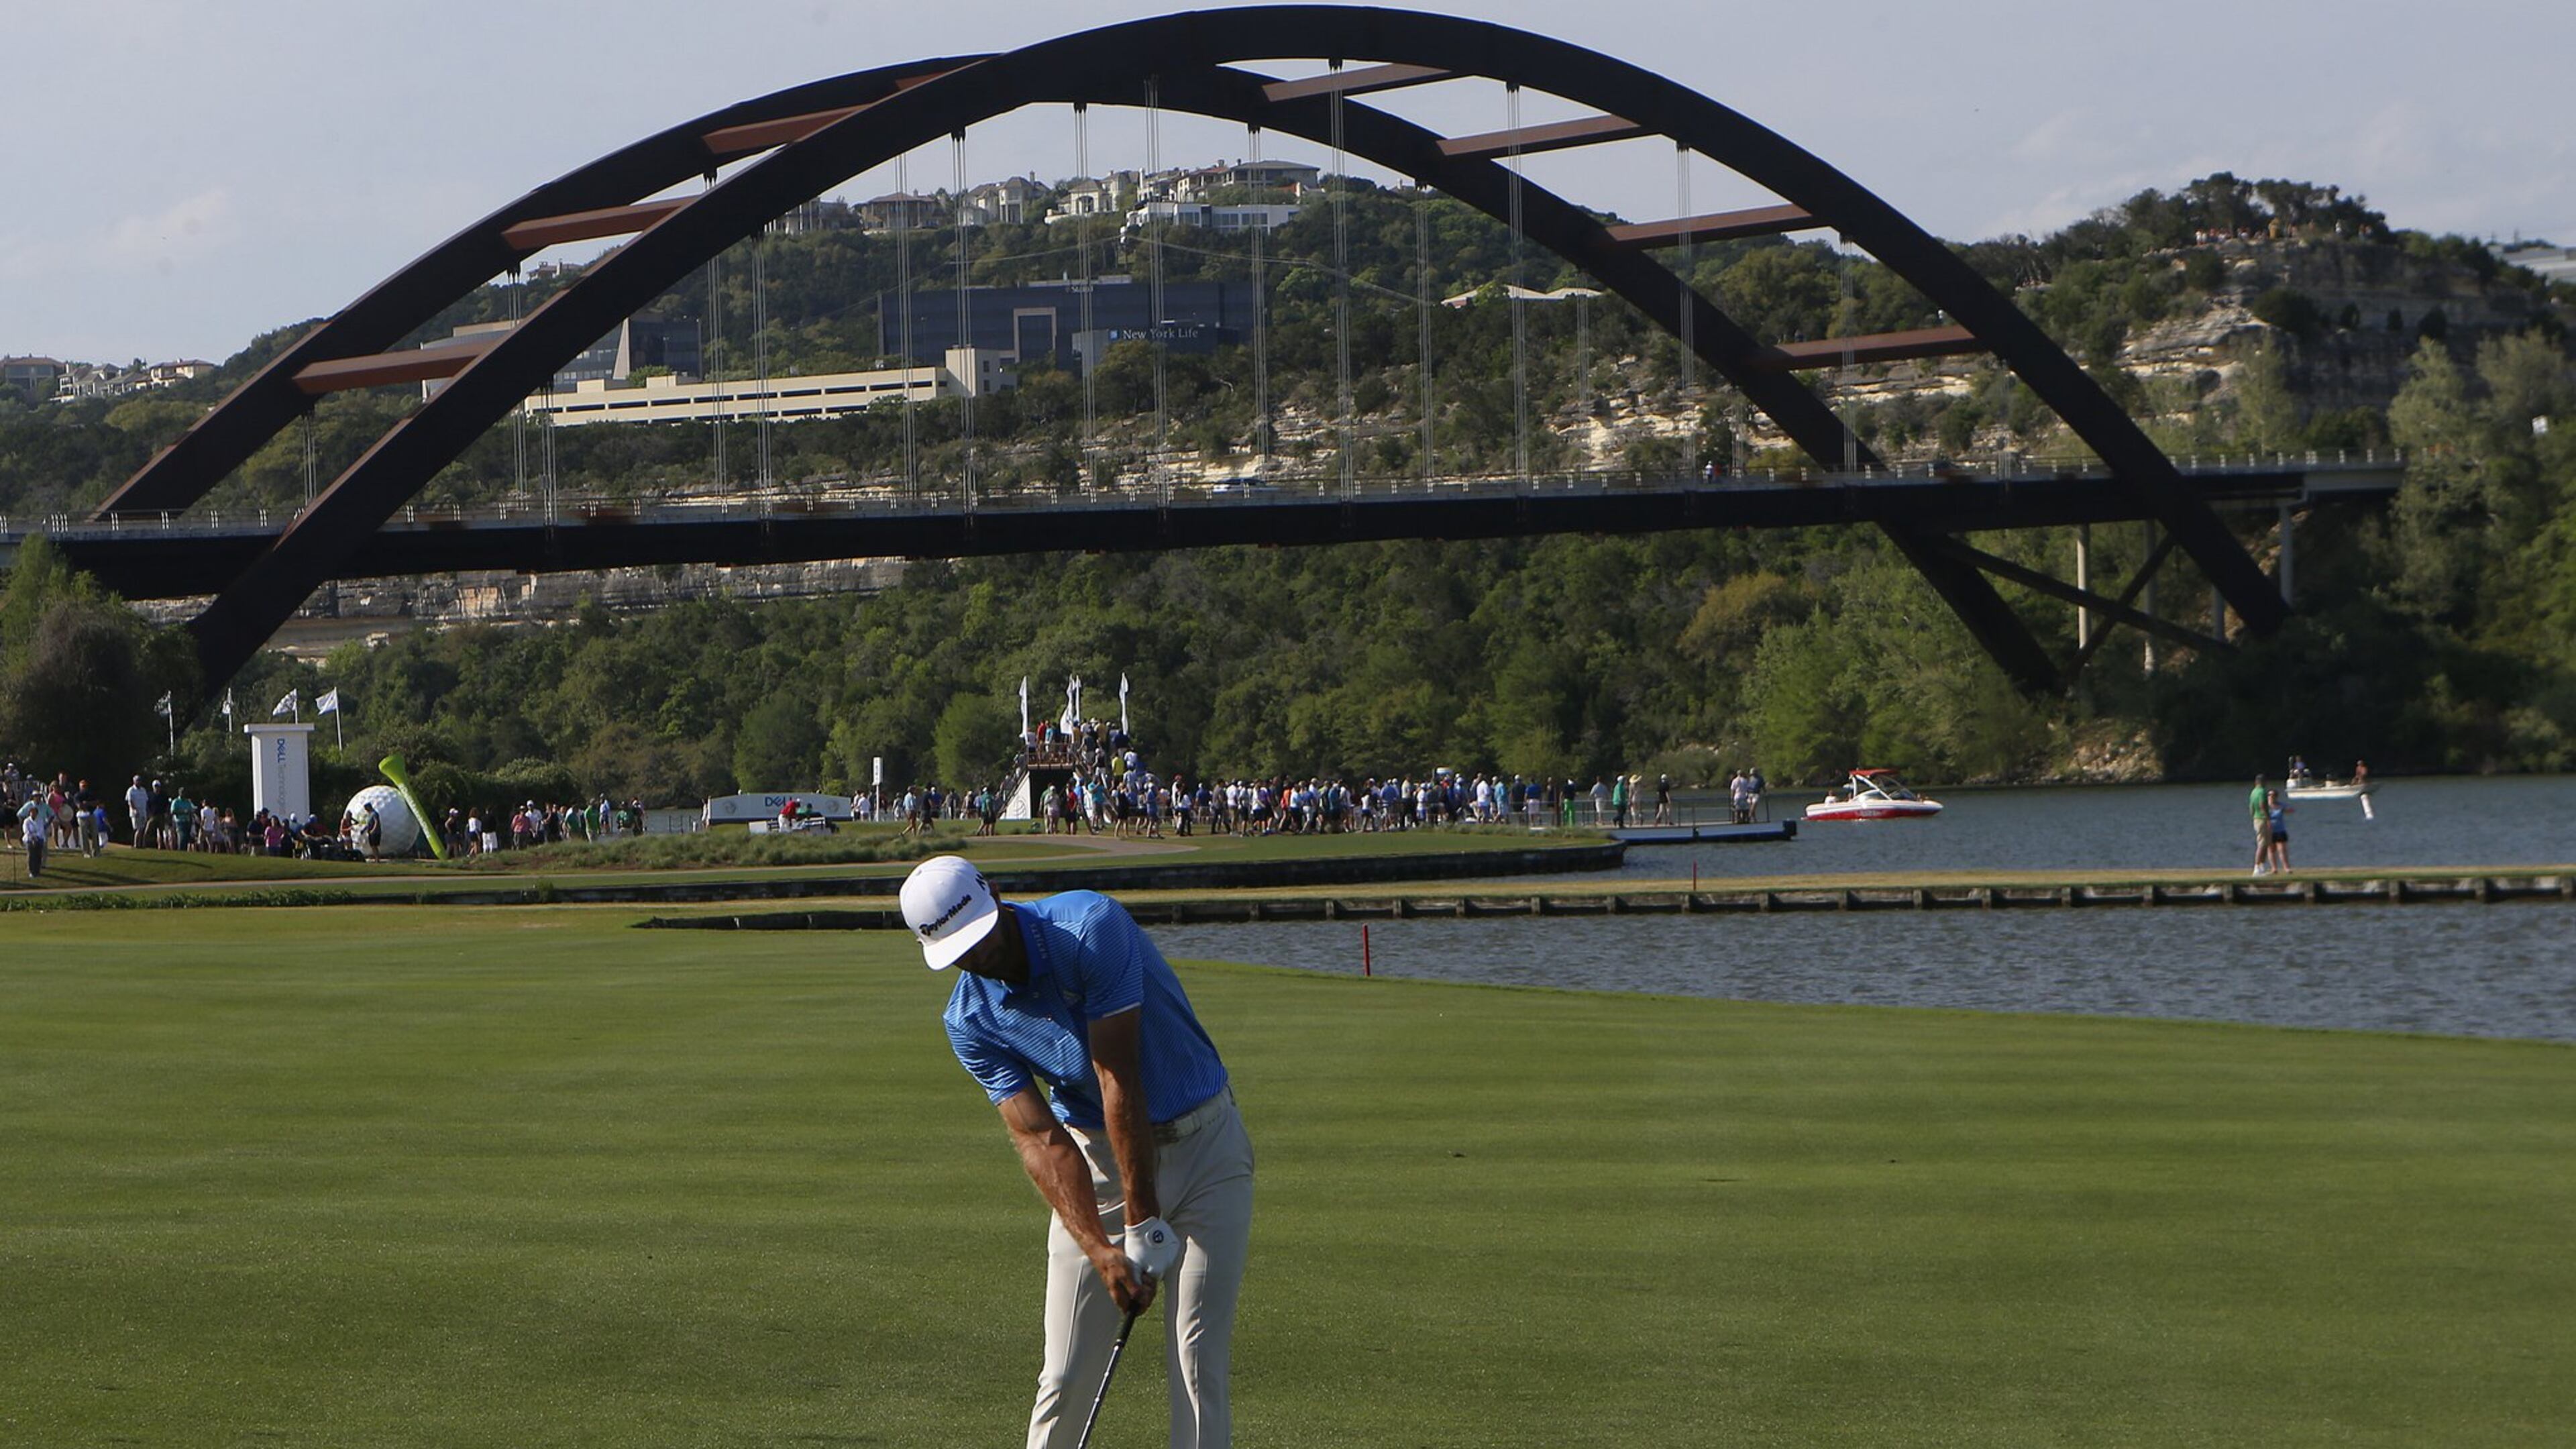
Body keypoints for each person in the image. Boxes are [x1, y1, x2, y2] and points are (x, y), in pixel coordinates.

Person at [900, 855, 1252, 1449]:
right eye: (958, 952)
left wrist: (1142, 1223)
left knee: (1198, 1362)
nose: (977, 958)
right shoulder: (969, 1019)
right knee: (1064, 1373)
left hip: (1207, 1146)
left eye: (980, 938)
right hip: (1098, 1161)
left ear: (999, 897)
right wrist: (1100, 1248)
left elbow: (1119, 1076)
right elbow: (1040, 1139)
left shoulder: (1090, 925)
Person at [2264, 789, 2294, 875]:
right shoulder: (2265, 806)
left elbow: (2291, 810)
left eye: (2273, 795)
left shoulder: (2280, 805)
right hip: (2270, 831)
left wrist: (2284, 810)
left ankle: (2286, 868)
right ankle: (2274, 868)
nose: (2271, 797)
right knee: (2271, 850)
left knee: (2282, 849)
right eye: (2269, 795)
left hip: (2280, 830)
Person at [2248, 774, 2271, 877]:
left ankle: (2261, 866)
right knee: (2262, 844)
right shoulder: (2262, 791)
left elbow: (2251, 807)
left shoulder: (2253, 792)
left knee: (2265, 843)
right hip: (2262, 819)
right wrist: (2268, 818)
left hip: (2256, 818)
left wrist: (2253, 817)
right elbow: (2262, 805)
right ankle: (2257, 868)